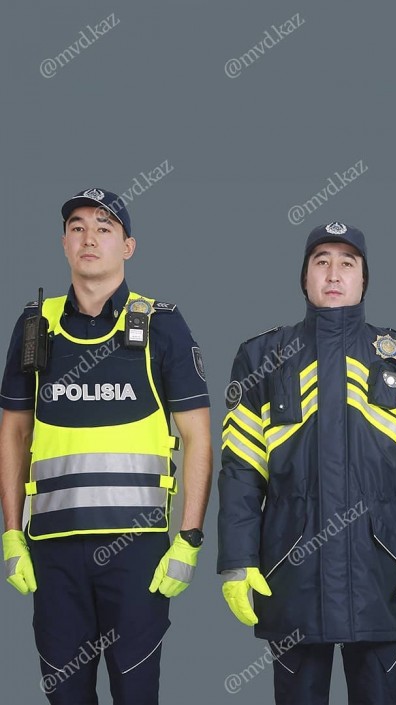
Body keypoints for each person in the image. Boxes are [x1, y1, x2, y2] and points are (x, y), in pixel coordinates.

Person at [218, 221, 396, 705]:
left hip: (384, 571)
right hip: (291, 570)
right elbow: (240, 473)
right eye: (321, 261)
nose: (333, 273)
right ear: (303, 276)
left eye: (348, 263)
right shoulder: (262, 356)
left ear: (364, 278)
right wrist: (238, 561)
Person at [0, 188, 212, 705]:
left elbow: (199, 437)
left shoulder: (162, 324)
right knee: (65, 694)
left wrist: (189, 538)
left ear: (128, 246)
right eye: (77, 227)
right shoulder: (35, 325)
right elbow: (14, 433)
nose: (89, 238)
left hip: (136, 554)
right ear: (64, 243)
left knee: (135, 692)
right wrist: (10, 534)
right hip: (53, 551)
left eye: (104, 227)